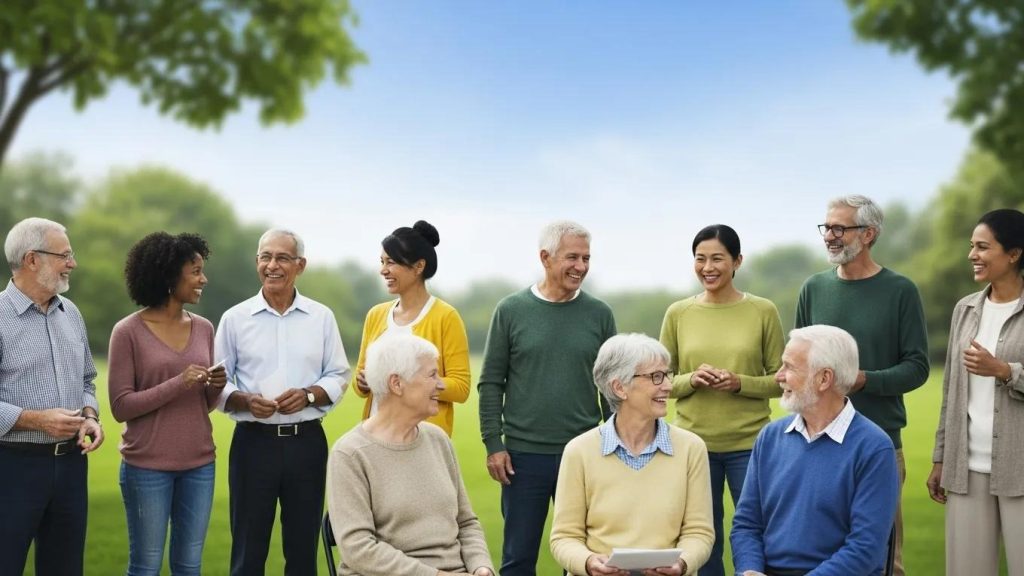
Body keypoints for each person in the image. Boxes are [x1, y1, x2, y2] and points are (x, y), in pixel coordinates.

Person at [794, 195, 928, 575]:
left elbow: (917, 367)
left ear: (869, 234)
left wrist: (863, 380)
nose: (830, 236)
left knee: (883, 557)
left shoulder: (900, 290)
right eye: (827, 227)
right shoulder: (813, 288)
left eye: (840, 228)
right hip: (815, 442)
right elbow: (800, 357)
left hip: (878, 442)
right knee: (816, 551)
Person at [478, 220, 617, 576]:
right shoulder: (511, 310)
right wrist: (494, 443)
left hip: (587, 453)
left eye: (586, 258)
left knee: (593, 558)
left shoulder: (599, 314)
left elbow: (613, 387)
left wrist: (620, 444)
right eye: (572, 257)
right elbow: (492, 381)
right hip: (523, 459)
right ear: (545, 257)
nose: (581, 267)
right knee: (519, 558)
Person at [215, 228, 351, 576]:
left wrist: (308, 395)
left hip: (306, 444)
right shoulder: (234, 319)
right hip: (252, 446)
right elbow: (216, 384)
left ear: (300, 265)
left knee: (303, 551)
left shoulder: (321, 317)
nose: (272, 265)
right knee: (248, 550)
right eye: (265, 257)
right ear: (257, 262)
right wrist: (244, 401)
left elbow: (338, 375)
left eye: (282, 258)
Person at [658, 224, 783, 576]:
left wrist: (738, 382)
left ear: (737, 261)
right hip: (693, 445)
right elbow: (660, 381)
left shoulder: (763, 311)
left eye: (717, 259)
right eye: (700, 259)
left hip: (751, 444)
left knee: (756, 530)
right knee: (701, 537)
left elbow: (781, 380)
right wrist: (692, 379)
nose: (707, 268)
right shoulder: (678, 313)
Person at [731, 325, 899, 575]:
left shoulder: (874, 448)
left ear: (824, 379)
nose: (778, 376)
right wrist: (749, 571)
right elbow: (746, 525)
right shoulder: (770, 437)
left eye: (789, 367)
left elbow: (865, 549)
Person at [108, 232, 226, 576]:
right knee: (145, 567)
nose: (203, 278)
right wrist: (179, 382)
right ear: (170, 275)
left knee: (189, 566)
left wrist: (214, 387)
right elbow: (120, 406)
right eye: (195, 271)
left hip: (200, 465)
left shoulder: (204, 328)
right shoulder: (127, 331)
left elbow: (201, 405)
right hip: (147, 467)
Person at [328, 333, 494, 576]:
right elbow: (358, 549)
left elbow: (466, 523)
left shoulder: (438, 440)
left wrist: (481, 567)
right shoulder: (350, 454)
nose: (441, 384)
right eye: (432, 375)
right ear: (397, 384)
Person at [551, 333, 714, 576]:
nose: (668, 385)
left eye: (666, 374)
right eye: (656, 377)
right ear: (619, 387)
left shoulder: (691, 448)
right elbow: (564, 537)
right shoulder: (579, 451)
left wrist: (682, 564)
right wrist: (587, 562)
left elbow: (699, 533)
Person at [0, 217, 104, 576]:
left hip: (72, 466)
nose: (72, 263)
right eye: (65, 255)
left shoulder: (70, 313)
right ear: (32, 259)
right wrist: (36, 419)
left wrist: (91, 415)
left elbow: (88, 379)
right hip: (12, 467)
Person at [927, 208, 1024, 574]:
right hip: (966, 467)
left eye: (983, 247)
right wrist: (941, 457)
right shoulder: (964, 310)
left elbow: (1004, 373)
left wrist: (1005, 371)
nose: (972, 255)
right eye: (971, 246)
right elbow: (951, 389)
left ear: (1013, 254)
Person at [351, 220, 470, 436]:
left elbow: (461, 387)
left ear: (418, 266)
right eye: (381, 262)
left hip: (423, 438)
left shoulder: (446, 316)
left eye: (391, 262)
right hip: (375, 435)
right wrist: (363, 382)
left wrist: (412, 383)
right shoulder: (375, 315)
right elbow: (359, 383)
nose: (383, 270)